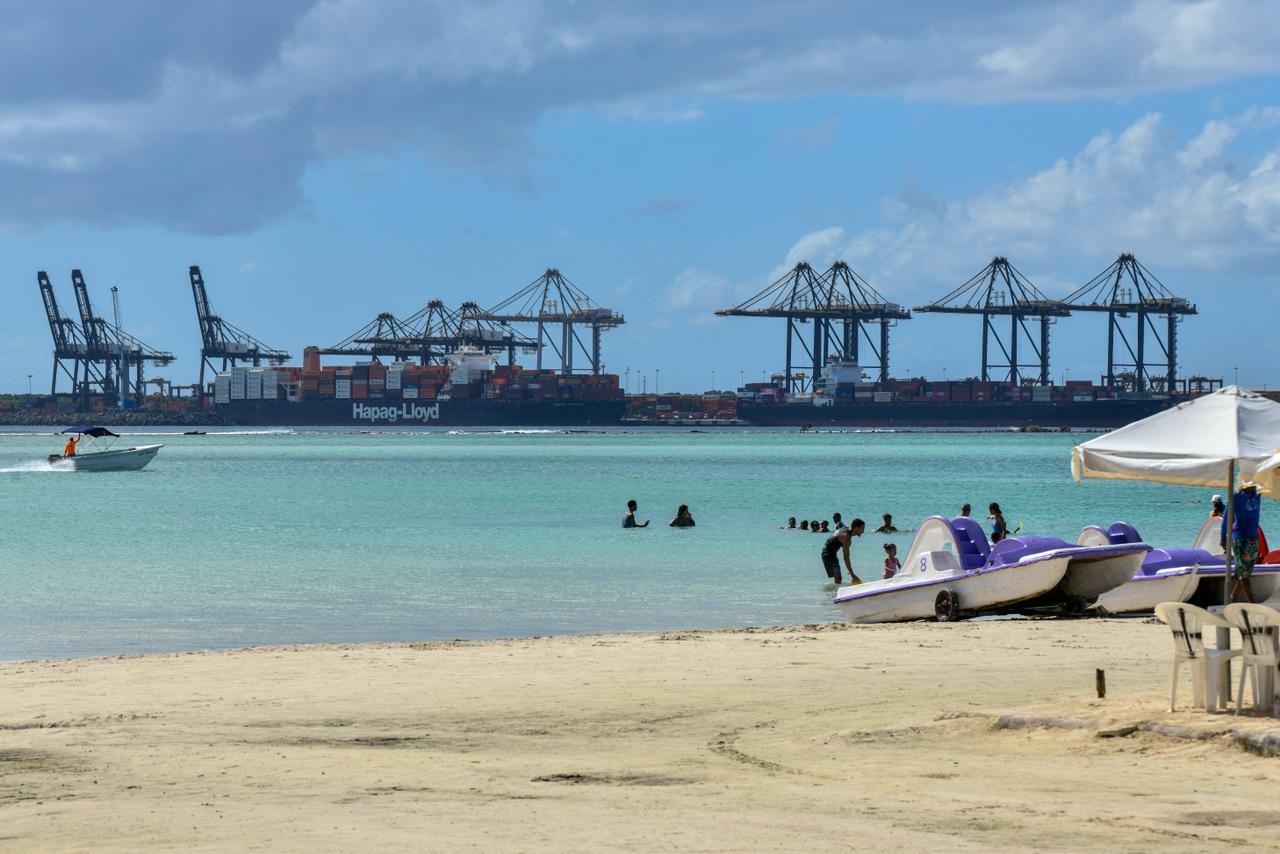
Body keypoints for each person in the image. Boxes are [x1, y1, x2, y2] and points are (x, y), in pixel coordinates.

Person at [1222, 483, 1263, 603]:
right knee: (1244, 574)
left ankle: (1232, 598)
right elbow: (1226, 517)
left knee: (1245, 573)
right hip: (1241, 539)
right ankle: (1253, 604)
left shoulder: (1257, 494)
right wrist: (1223, 536)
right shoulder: (1236, 496)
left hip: (1253, 539)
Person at [820, 518, 866, 585]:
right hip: (827, 554)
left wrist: (850, 571)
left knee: (838, 579)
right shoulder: (846, 538)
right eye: (862, 528)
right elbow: (846, 557)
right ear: (856, 528)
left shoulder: (846, 530)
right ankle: (834, 594)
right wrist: (852, 574)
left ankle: (834, 593)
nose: (863, 531)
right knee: (838, 579)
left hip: (832, 554)